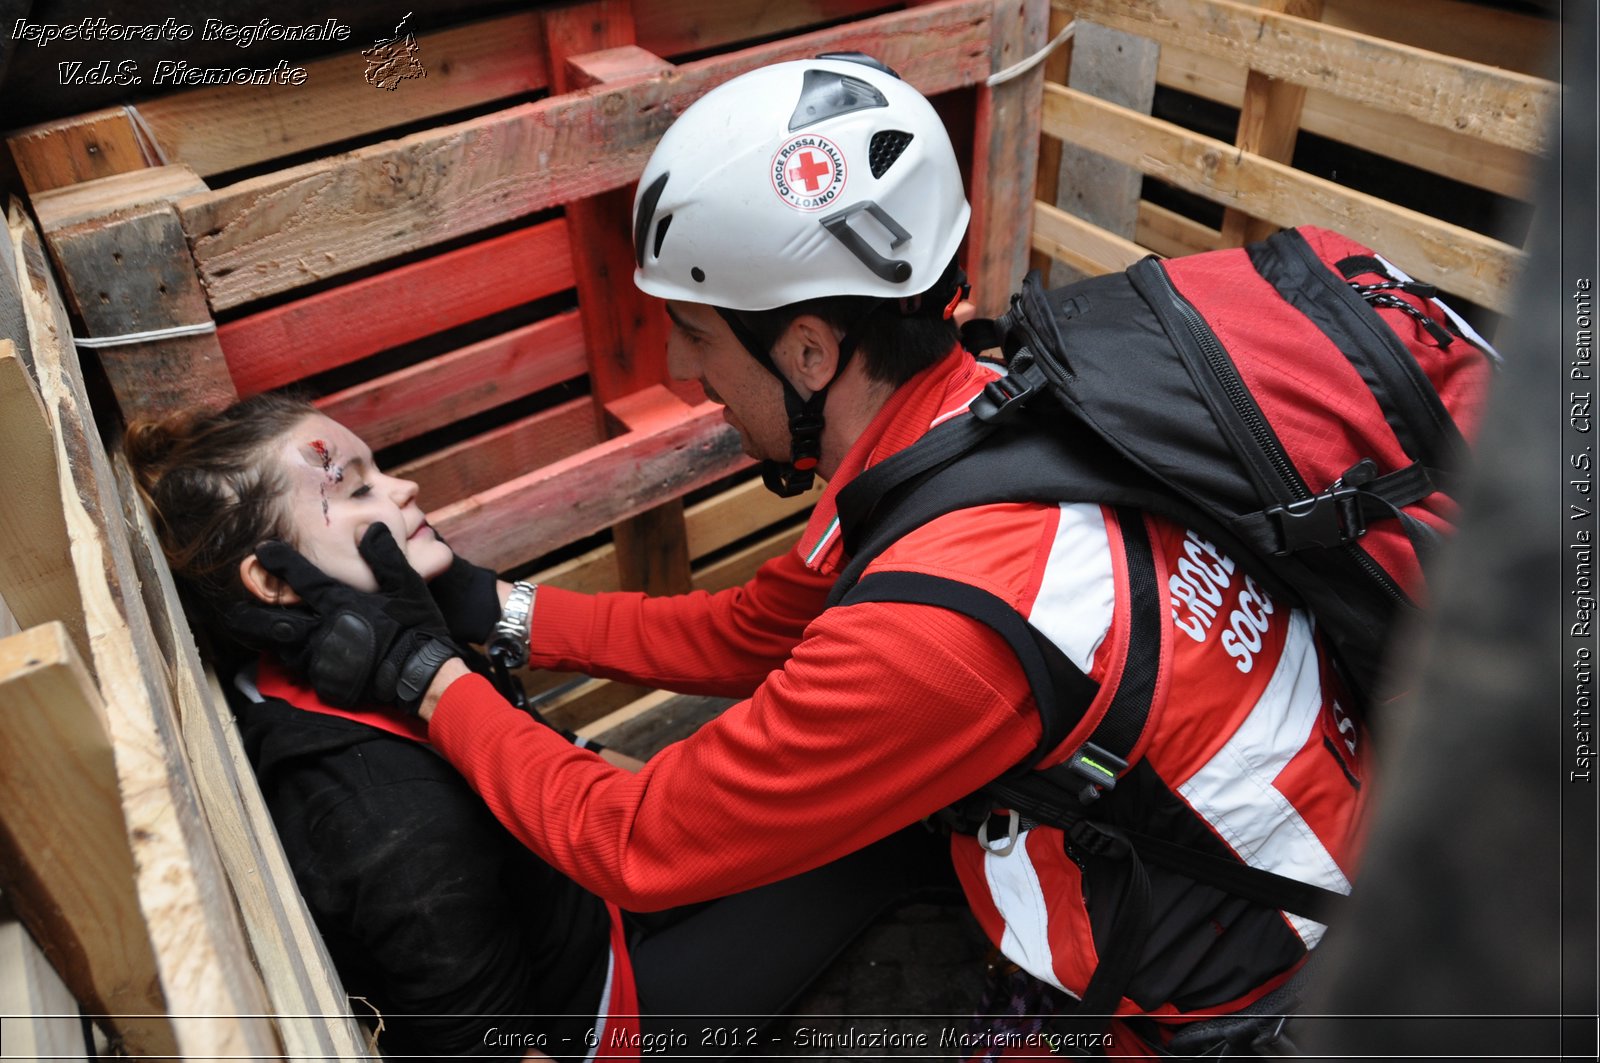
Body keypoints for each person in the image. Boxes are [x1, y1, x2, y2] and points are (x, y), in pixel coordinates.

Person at [262, 55, 1368, 1056]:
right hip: (1273, 812)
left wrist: (425, 676)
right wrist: (490, 606)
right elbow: (754, 629)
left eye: (696, 333)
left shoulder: (937, 626)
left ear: (806, 349)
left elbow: (631, 836)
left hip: (1263, 977)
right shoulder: (967, 417)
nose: (686, 370)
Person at [125, 393, 955, 1061]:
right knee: (890, 845)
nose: (404, 489)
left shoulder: (322, 658)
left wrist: (476, 621)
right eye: (356, 489)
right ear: (273, 582)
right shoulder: (386, 817)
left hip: (586, 889)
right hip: (607, 1003)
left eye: (378, 468)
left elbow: (741, 637)